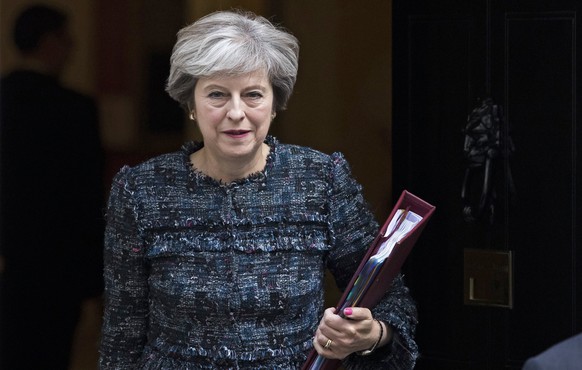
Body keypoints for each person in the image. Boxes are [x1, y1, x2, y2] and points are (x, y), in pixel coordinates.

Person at [99, 9, 418, 369]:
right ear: (190, 103)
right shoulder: (141, 190)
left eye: (252, 94)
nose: (236, 112)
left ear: (275, 102)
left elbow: (389, 298)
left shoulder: (320, 180)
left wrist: (373, 333)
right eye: (217, 95)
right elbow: (122, 334)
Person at [0, 4, 105, 370]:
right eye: (65, 37)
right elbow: (87, 198)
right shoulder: (74, 109)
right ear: (49, 42)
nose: (72, 46)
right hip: (60, 268)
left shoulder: (5, 99)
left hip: (12, 263)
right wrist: (95, 276)